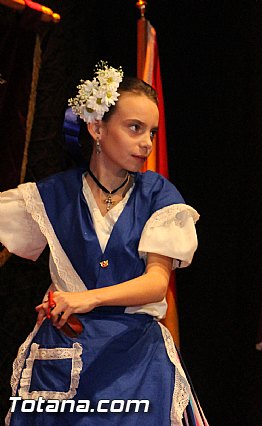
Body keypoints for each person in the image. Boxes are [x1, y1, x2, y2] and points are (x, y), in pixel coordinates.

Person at [1, 63, 206, 425]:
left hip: (136, 361)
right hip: (62, 354)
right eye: (134, 128)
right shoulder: (53, 195)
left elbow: (157, 283)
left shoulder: (159, 195)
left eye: (152, 132)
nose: (146, 142)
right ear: (97, 128)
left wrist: (85, 298)